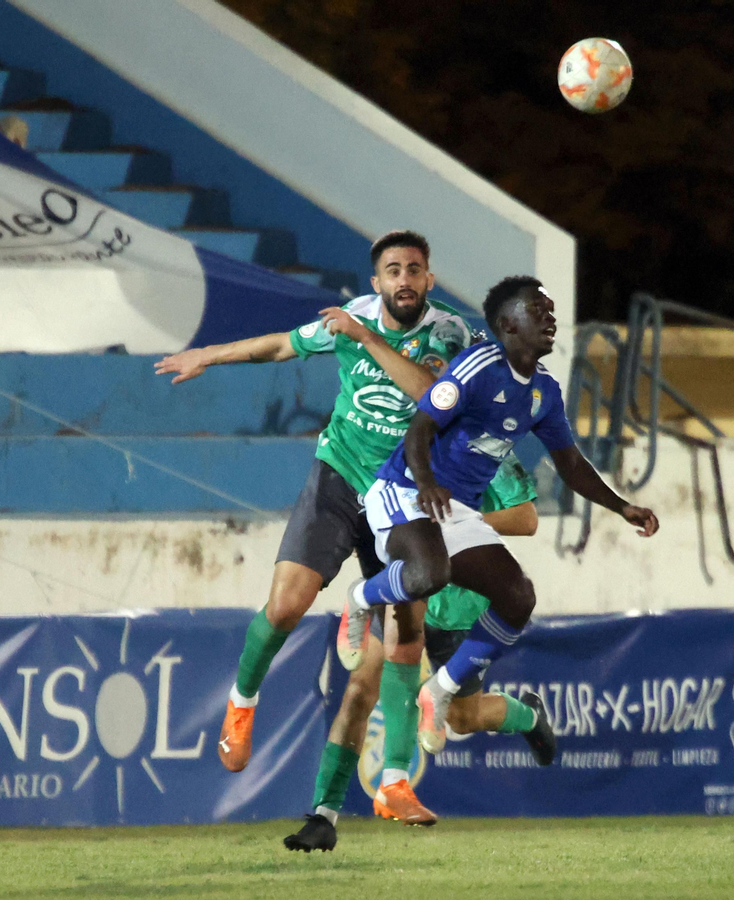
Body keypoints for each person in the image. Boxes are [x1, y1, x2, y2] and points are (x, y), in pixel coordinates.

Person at [154, 231, 470, 826]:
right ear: (376, 282)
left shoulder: (449, 334)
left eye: (415, 270)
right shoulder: (349, 317)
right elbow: (280, 346)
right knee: (285, 605)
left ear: (429, 280)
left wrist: (369, 339)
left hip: (402, 494)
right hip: (340, 477)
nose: (404, 279)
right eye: (392, 270)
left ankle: (394, 784)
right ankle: (241, 703)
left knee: (407, 635)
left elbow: (435, 397)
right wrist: (210, 354)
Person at [338, 275, 659, 754]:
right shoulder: (477, 365)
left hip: (455, 510)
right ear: (508, 324)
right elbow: (419, 430)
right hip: (403, 491)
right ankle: (362, 597)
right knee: (429, 573)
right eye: (538, 309)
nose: (550, 318)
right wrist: (425, 483)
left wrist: (621, 505)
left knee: (518, 596)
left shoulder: (544, 392)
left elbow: (569, 463)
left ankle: (440, 690)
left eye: (550, 309)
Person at [284, 457, 556, 853]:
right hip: (407, 581)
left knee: (464, 718)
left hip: (459, 604)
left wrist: (456, 525)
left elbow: (527, 519)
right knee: (360, 689)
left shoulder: (488, 445)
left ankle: (529, 715)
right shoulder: (409, 443)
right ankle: (323, 816)